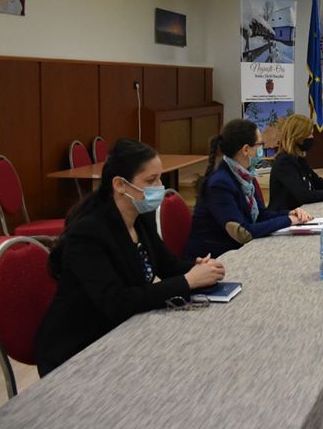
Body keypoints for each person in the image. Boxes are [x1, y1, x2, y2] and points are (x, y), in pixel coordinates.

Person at [35, 139, 226, 376]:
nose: (159, 186)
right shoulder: (88, 233)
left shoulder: (140, 217)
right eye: (150, 180)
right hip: (79, 350)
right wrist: (188, 281)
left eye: (160, 178)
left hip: (124, 331)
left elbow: (167, 265)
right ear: (120, 184)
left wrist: (200, 268)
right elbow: (116, 302)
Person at [184, 119, 311, 258]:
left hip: (237, 250)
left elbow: (261, 215)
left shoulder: (245, 176)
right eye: (260, 145)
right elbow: (243, 232)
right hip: (213, 258)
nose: (262, 149)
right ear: (246, 149)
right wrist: (289, 220)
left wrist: (289, 214)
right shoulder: (219, 184)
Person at [268, 113, 323, 210]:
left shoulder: (298, 159)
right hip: (284, 215)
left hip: (301, 211)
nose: (312, 137)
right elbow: (304, 196)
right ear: (298, 136)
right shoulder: (284, 162)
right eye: (309, 134)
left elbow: (317, 182)